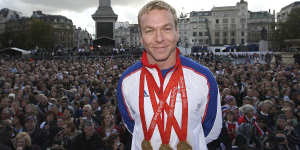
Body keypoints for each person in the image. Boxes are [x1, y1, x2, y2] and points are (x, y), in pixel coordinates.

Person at [117, 1, 222, 149]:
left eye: (166, 28)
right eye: (149, 30)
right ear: (141, 37)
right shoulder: (126, 81)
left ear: (177, 32)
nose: (159, 38)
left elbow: (211, 130)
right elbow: (132, 125)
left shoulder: (203, 78)